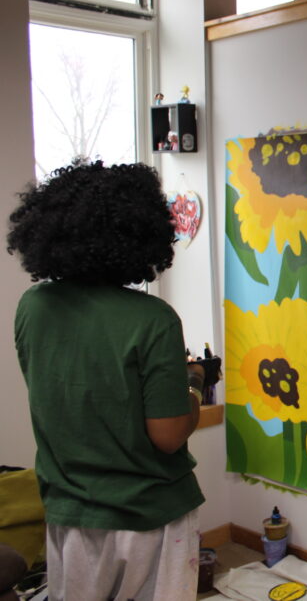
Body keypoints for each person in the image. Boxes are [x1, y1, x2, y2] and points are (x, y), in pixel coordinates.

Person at [7, 160, 205, 601]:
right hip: (149, 516)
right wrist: (193, 384)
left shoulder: (33, 307)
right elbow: (168, 436)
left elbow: (65, 394)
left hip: (70, 513)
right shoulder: (153, 319)